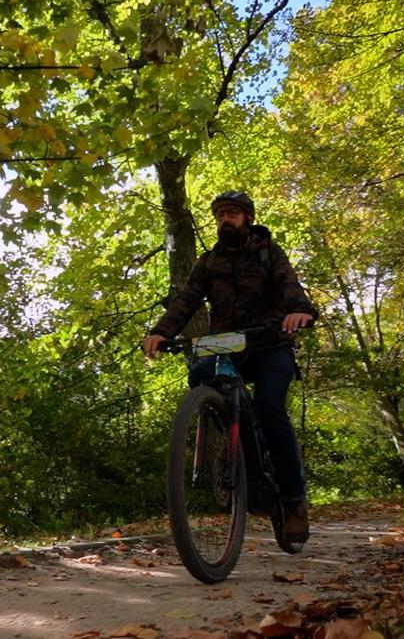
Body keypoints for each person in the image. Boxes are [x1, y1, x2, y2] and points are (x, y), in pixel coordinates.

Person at [143, 191, 318, 550]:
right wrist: (161, 331)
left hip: (270, 343)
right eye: (220, 214)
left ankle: (293, 498)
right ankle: (233, 438)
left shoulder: (270, 252)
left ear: (248, 218)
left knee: (271, 408)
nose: (226, 219)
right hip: (226, 345)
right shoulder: (208, 263)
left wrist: (300, 311)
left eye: (233, 213)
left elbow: (289, 285)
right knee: (199, 376)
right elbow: (186, 299)